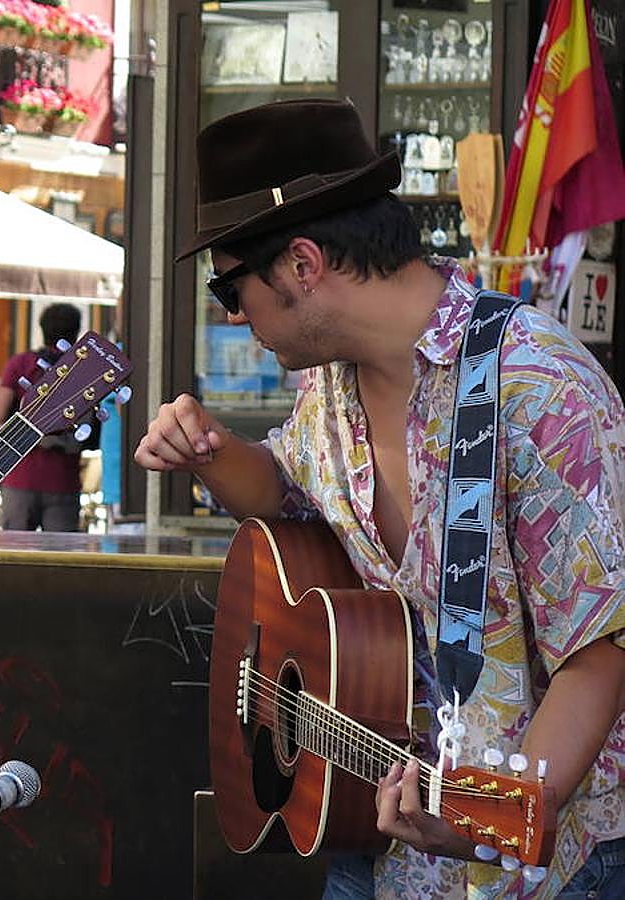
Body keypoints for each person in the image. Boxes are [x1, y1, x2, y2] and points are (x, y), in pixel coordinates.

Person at [134, 99, 625, 899]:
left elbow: (600, 648)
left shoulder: (538, 388)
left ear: (301, 264)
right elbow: (288, 495)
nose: (229, 312)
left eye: (229, 283)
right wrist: (209, 454)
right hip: (371, 838)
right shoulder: (329, 388)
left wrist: (489, 818)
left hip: (538, 868)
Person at [0, 302, 86, 531]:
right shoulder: (82, 370)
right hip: (63, 479)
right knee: (59, 560)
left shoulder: (21, 364)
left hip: (20, 475)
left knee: (16, 560)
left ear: (42, 329)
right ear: (76, 331)